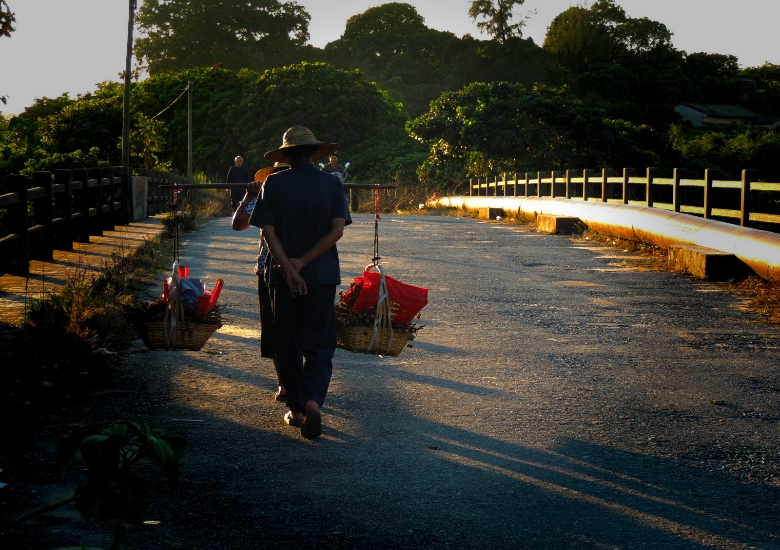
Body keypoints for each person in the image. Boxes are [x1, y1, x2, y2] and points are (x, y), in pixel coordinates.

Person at [250, 126, 349, 438]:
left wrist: (290, 269)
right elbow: (337, 231)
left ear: (286, 156)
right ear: (315, 154)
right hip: (321, 275)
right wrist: (304, 263)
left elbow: (267, 231)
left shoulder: (273, 183)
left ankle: (296, 409)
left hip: (281, 277)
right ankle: (314, 402)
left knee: (287, 342)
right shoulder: (331, 184)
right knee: (320, 342)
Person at [231, 163, 289, 403]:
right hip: (269, 267)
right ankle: (285, 382)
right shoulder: (263, 197)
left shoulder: (306, 195)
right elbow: (238, 223)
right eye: (275, 176)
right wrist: (250, 195)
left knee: (297, 329)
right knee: (275, 328)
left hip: (302, 266)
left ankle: (296, 381)